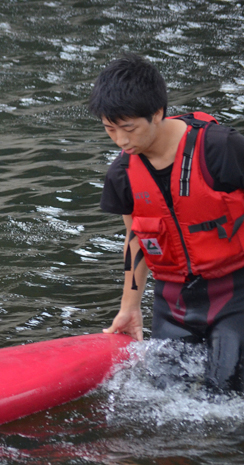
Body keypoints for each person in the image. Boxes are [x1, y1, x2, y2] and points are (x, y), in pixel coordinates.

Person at [88, 52, 244, 391]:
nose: (121, 141)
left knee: (225, 396)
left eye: (129, 128)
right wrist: (130, 308)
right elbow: (136, 237)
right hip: (174, 302)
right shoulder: (122, 173)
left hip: (235, 293)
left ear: (157, 113)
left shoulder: (221, 148)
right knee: (161, 398)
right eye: (110, 130)